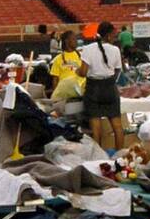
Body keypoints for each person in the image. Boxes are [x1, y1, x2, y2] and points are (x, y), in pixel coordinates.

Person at [79, 20, 125, 151]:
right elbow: (118, 70)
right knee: (117, 126)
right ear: (109, 35)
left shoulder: (88, 49)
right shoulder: (115, 50)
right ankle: (120, 155)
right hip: (110, 87)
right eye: (114, 35)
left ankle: (97, 157)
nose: (115, 38)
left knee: (96, 128)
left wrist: (77, 70)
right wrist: (110, 81)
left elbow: (82, 72)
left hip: (93, 88)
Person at [50, 30, 84, 96]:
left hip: (79, 93)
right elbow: (55, 80)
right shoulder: (58, 59)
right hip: (64, 94)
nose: (76, 41)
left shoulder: (82, 56)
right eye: (74, 39)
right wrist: (56, 95)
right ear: (66, 41)